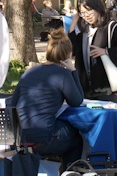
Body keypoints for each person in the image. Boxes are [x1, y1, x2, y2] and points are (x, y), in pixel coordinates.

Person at [14, 29, 85, 166]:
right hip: (42, 138)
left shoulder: (29, 72)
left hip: (18, 136)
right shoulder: (62, 75)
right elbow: (77, 101)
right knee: (76, 138)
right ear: (69, 55)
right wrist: (73, 71)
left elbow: (13, 101)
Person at [70, 0, 117, 102]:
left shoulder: (112, 28)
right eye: (82, 13)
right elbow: (71, 51)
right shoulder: (84, 32)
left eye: (89, 10)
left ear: (97, 7)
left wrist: (106, 51)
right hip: (86, 92)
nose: (87, 15)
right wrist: (73, 24)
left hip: (107, 91)